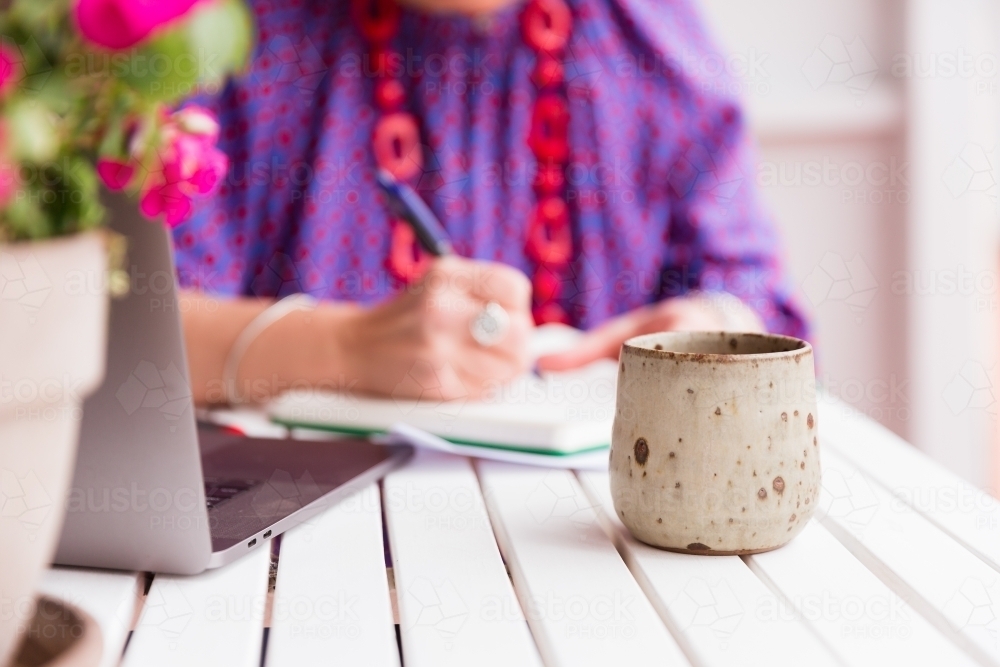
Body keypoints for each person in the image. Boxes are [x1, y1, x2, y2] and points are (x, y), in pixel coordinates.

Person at [175, 0, 809, 405]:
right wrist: (342, 348)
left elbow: (750, 290)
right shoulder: (226, 35)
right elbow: (129, 329)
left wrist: (708, 327)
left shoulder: (649, 37)